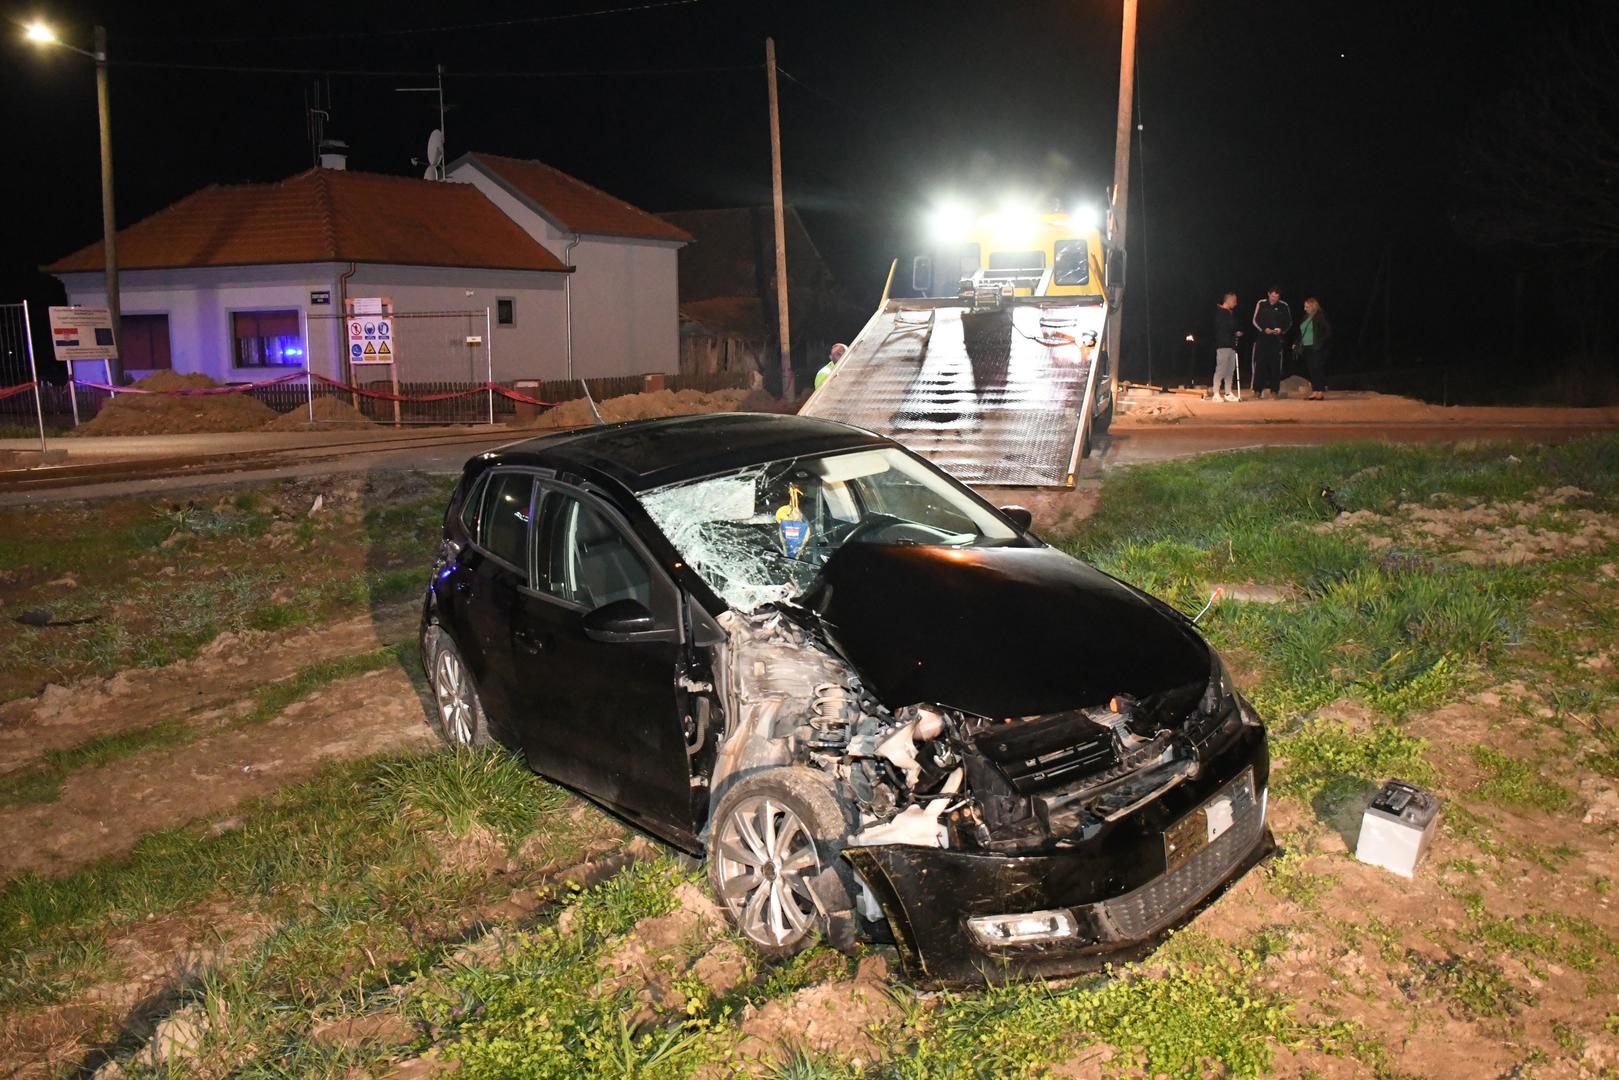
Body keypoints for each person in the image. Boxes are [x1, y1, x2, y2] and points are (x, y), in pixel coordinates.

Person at [1250, 286, 1291, 399]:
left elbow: (1288, 322)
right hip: (1262, 339)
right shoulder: (1261, 303)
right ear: (1268, 294)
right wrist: (1264, 329)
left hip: (1276, 340)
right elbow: (1255, 320)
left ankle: (1274, 391)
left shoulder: (1284, 305)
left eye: (1277, 297)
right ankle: (1257, 390)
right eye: (1272, 296)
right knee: (1260, 364)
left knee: (1275, 366)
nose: (1274, 299)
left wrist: (1281, 329)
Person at [1296, 297, 1332, 400]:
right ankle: (1315, 391)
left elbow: (1327, 331)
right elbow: (1302, 333)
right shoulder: (1305, 317)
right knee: (1311, 369)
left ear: (1313, 306)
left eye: (1307, 307)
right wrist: (1297, 343)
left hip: (1316, 347)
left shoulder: (1319, 316)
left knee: (1317, 368)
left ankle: (1320, 391)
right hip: (1306, 346)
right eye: (1305, 306)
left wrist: (1319, 343)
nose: (1305, 309)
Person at [1211, 291, 1241, 401]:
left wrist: (1236, 333)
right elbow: (1222, 328)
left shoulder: (1230, 313)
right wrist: (1234, 331)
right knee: (1221, 369)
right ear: (1228, 300)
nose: (1235, 303)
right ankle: (1216, 393)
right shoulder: (1220, 312)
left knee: (1230, 370)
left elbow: (1231, 327)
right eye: (1234, 301)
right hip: (1223, 345)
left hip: (1231, 345)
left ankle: (1228, 393)